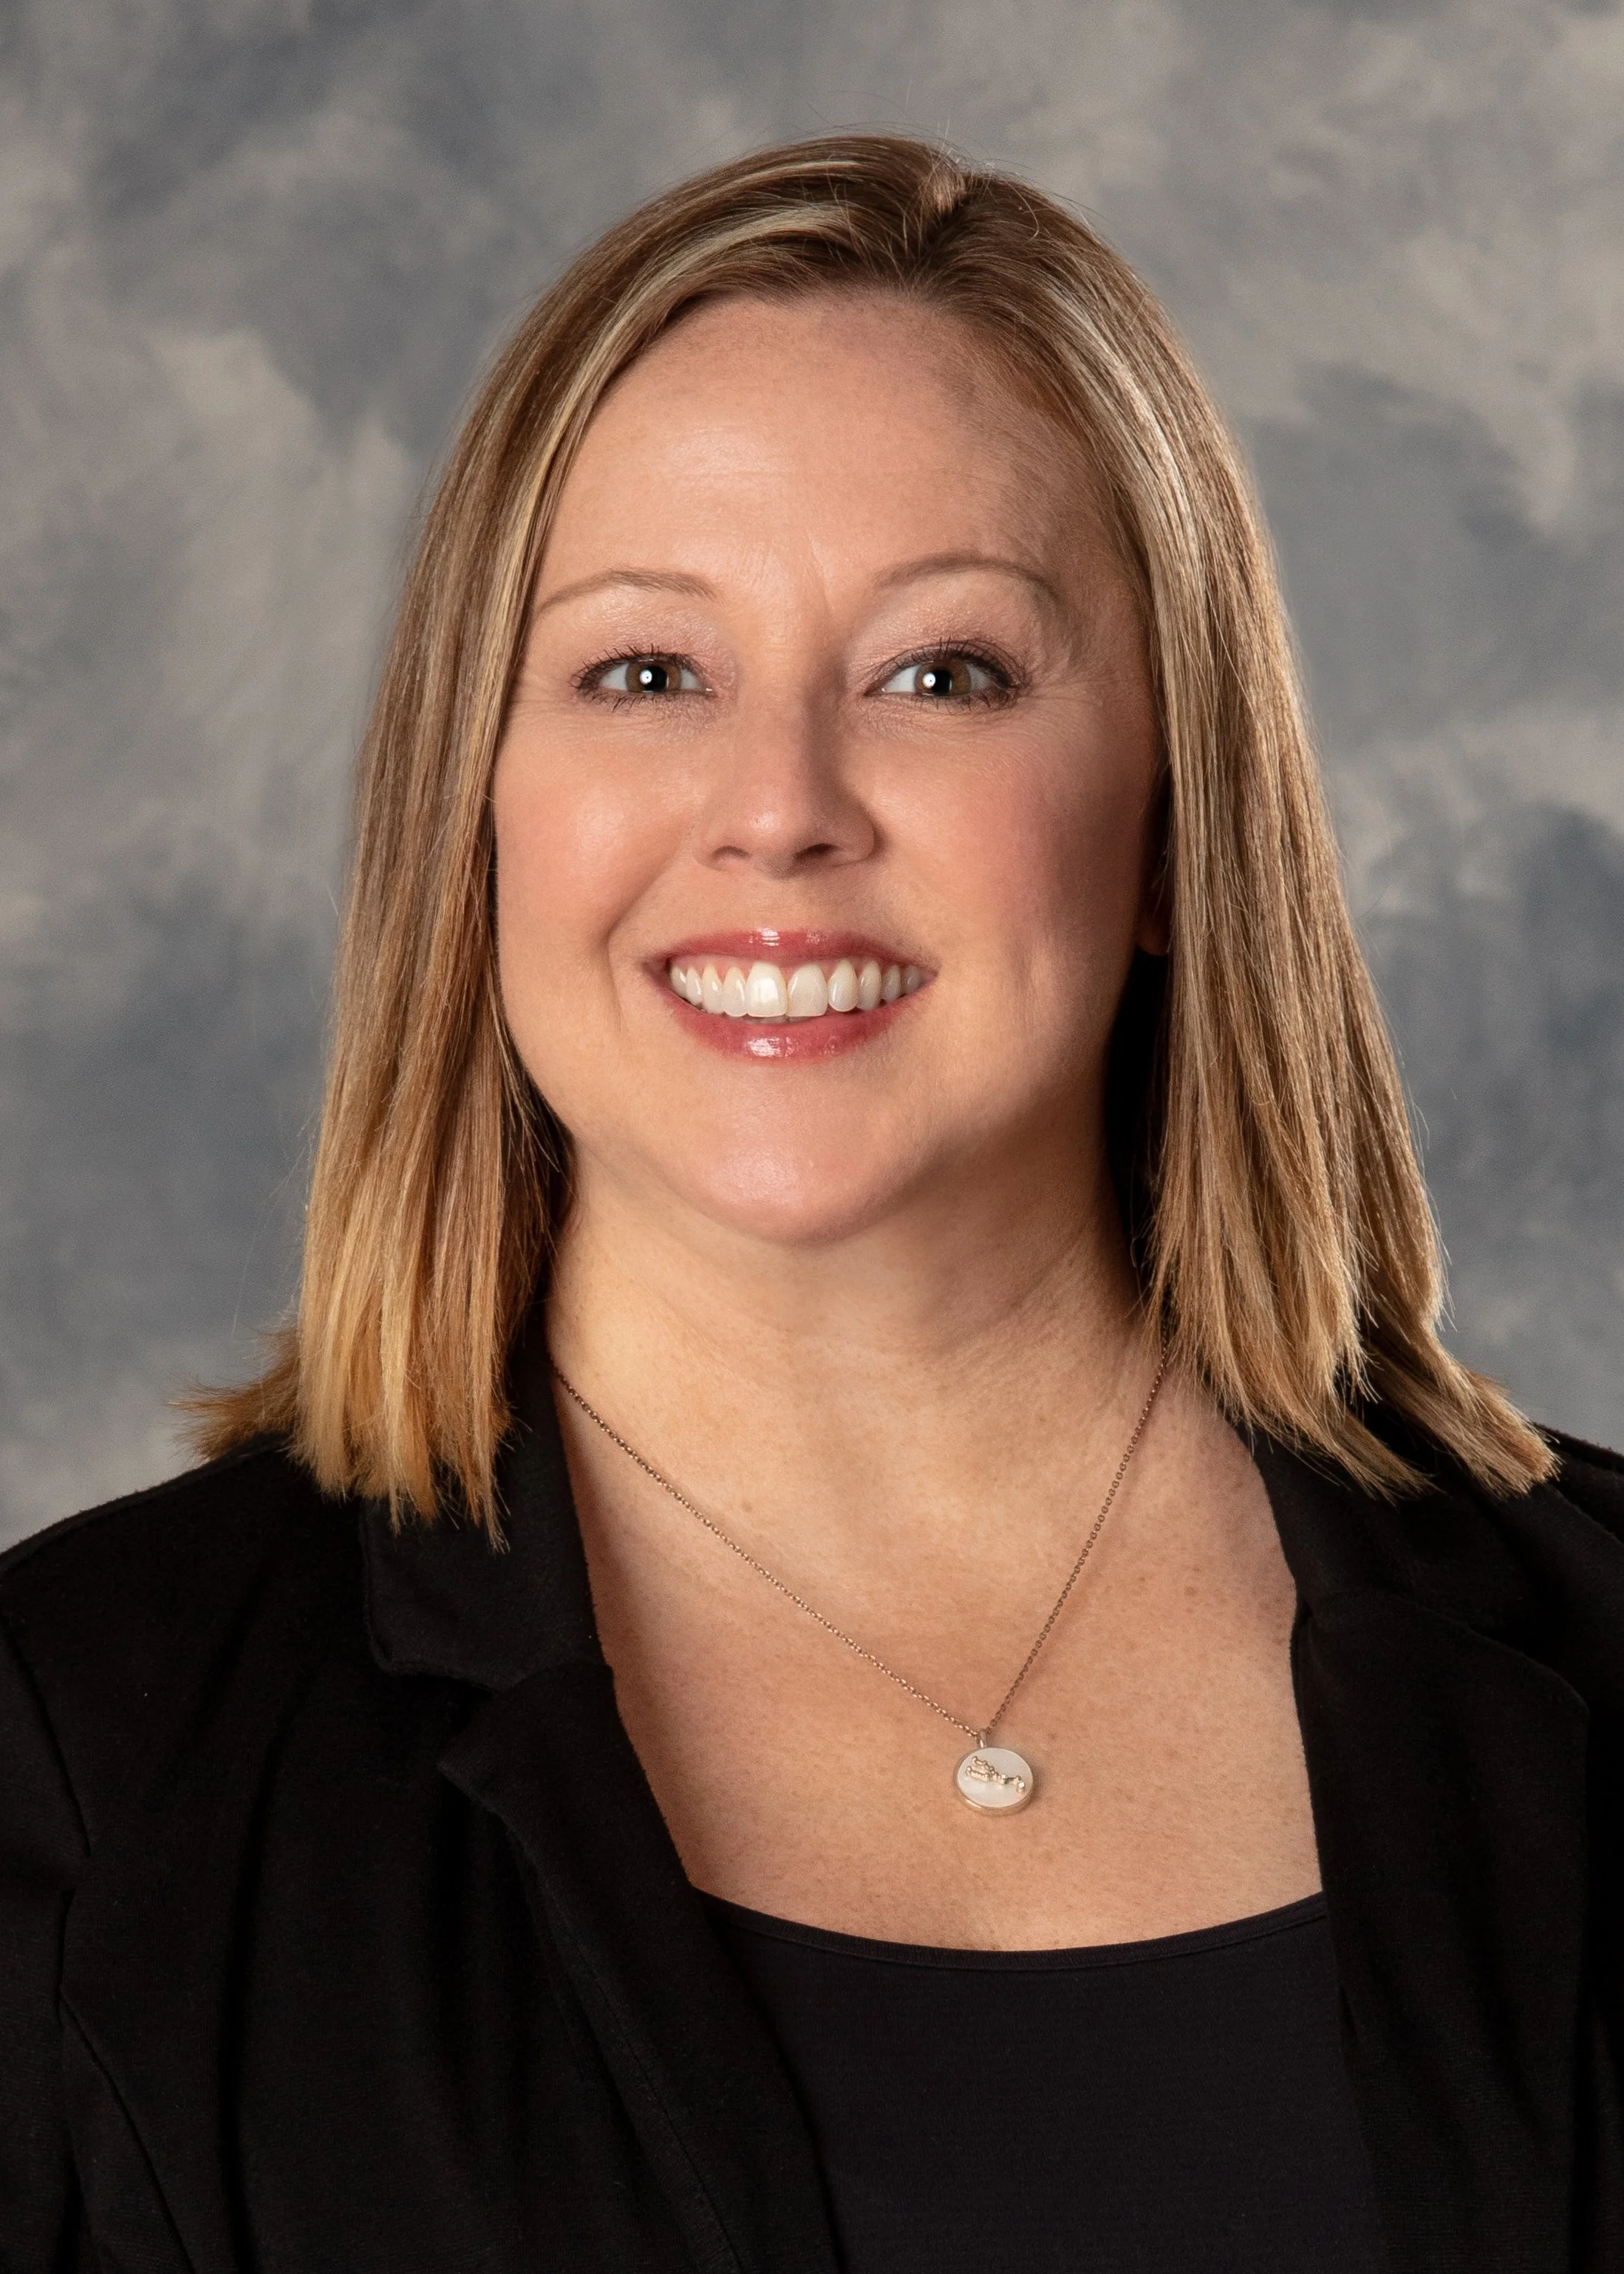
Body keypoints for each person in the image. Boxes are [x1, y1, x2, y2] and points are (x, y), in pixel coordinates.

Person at [1, 132, 1619, 2274]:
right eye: (644, 674)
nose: (779, 810)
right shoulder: (85, 1759)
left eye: (941, 673)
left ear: (1168, 814)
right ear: (473, 807)